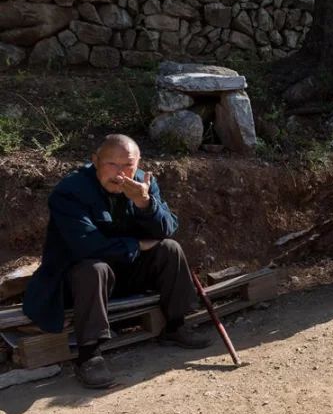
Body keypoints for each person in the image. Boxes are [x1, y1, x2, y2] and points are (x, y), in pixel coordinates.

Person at [23, 134, 210, 389]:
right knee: (94, 268)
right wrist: (136, 245)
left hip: (123, 273)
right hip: (75, 282)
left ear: (138, 163)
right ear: (95, 161)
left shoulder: (142, 183)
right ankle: (89, 356)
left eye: (128, 166)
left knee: (169, 249)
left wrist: (144, 203)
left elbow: (167, 229)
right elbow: (86, 246)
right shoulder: (70, 192)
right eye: (112, 164)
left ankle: (176, 326)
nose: (120, 174)